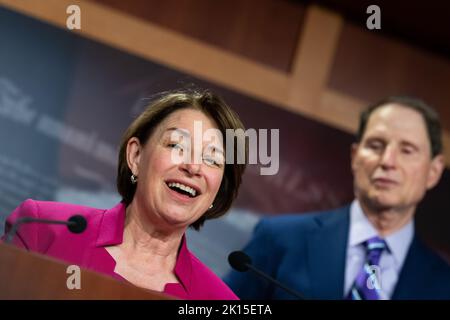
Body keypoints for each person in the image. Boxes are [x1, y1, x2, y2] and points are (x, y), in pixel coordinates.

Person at [2, 89, 247, 300]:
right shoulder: (41, 229)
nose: (193, 167)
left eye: (212, 159)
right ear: (136, 157)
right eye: (177, 146)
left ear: (218, 191)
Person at [225, 96, 450, 300]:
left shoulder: (444, 284)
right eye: (376, 145)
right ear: (354, 157)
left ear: (433, 171)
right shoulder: (280, 239)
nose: (388, 161)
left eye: (407, 150)